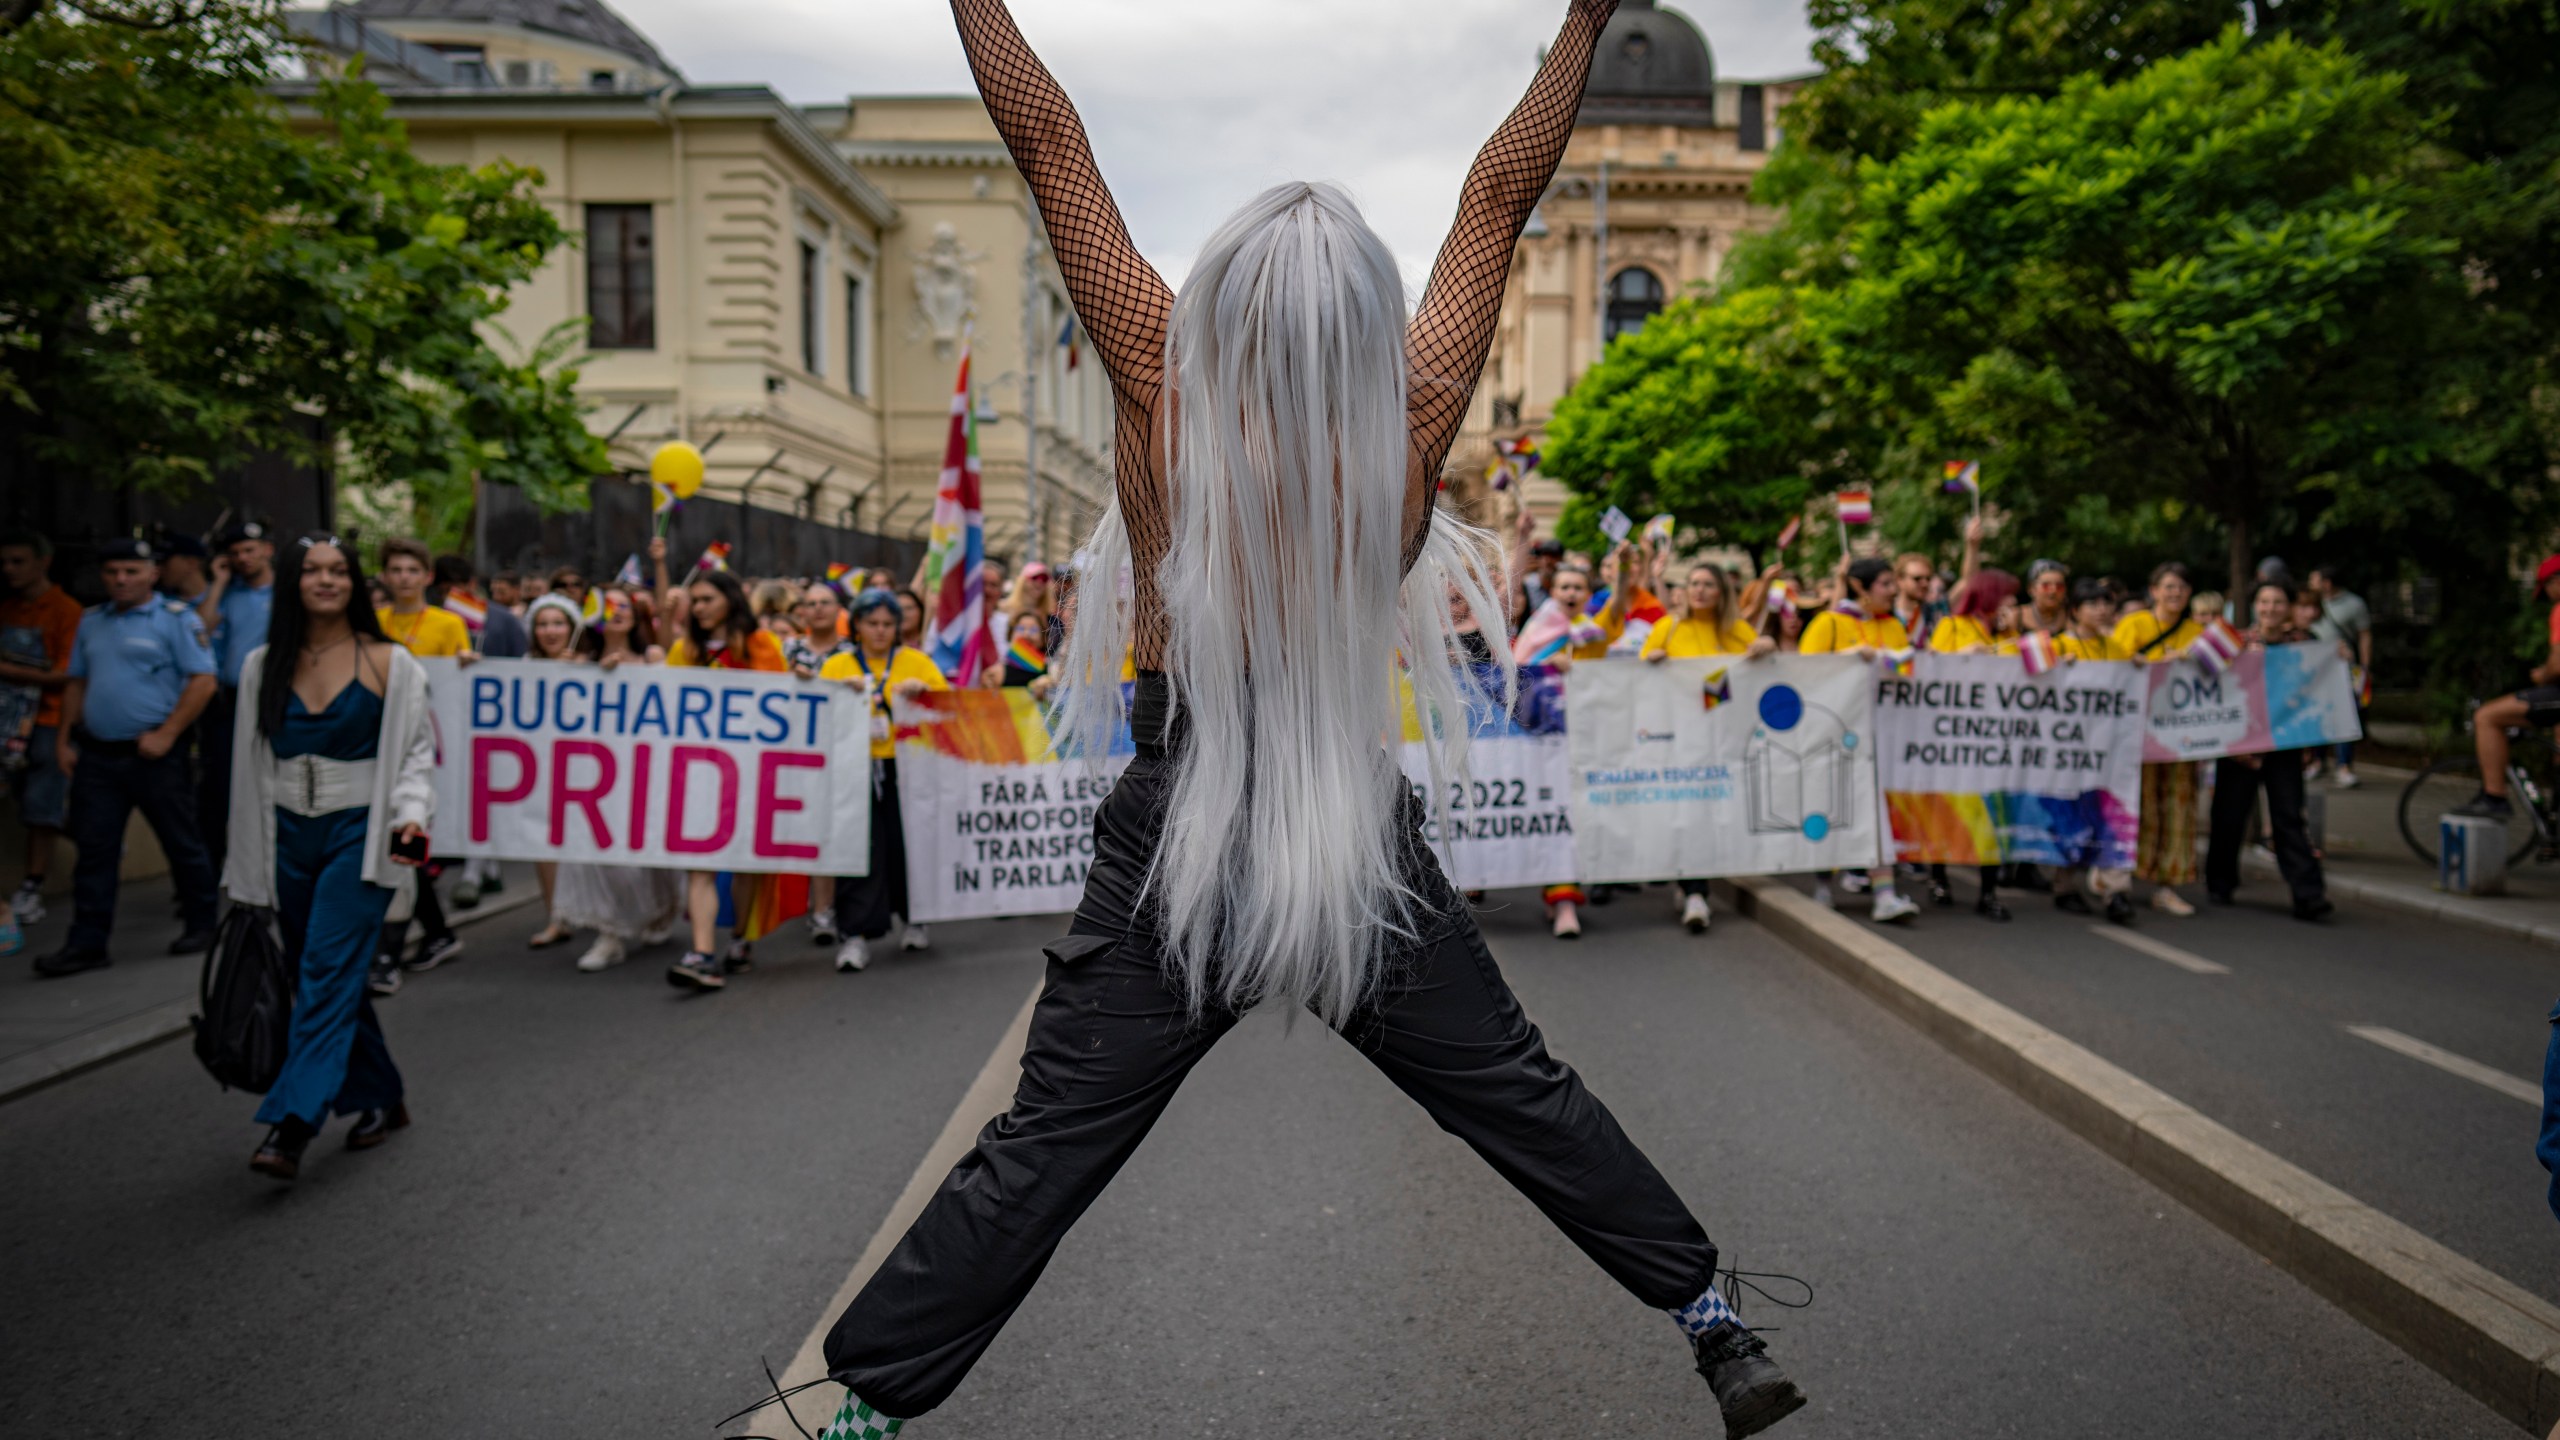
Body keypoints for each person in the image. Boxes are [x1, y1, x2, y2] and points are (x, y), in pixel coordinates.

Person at [812, 8, 1807, 1440]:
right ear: (1360, 320)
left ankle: (862, 1414)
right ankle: (1715, 1326)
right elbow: (1500, 195)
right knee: (1520, 1094)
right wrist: (1587, 19)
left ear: (1219, 303)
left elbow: (1047, 144)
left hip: (1182, 823)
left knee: (1043, 1149)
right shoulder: (1403, 422)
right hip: (1352, 829)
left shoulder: (1162, 388)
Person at [224, 535, 434, 1180]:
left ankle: (294, 1121)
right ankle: (380, 1094)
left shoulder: (391, 664)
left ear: (353, 582)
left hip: (362, 838)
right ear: (292, 581)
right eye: (311, 570)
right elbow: (248, 766)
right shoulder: (264, 664)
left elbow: (417, 758)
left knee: (323, 965)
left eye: (338, 571)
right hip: (285, 836)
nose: (325, 581)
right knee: (323, 975)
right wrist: (246, 865)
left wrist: (410, 826)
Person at [38, 537, 221, 976]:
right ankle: (87, 943)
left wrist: (167, 733)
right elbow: (77, 683)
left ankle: (203, 924)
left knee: (181, 842)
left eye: (131, 571)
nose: (121, 579)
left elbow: (203, 681)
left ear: (153, 574)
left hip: (155, 753)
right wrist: (64, 740)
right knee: (95, 851)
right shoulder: (92, 620)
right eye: (112, 572)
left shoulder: (176, 619)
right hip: (99, 756)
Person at [663, 567, 790, 990]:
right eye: (694, 602)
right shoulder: (685, 650)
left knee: (744, 864)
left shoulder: (762, 645)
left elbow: (783, 702)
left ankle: (739, 939)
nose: (698, 609)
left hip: (750, 772)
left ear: (730, 601)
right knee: (699, 864)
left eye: (706, 600)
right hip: (699, 772)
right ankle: (702, 954)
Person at [819, 588, 949, 972]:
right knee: (858, 851)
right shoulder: (838, 665)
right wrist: (839, 695)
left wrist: (923, 694)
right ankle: (854, 935)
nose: (879, 631)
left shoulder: (916, 662)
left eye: (887, 624)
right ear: (857, 625)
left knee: (908, 845)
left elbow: (949, 707)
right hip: (854, 768)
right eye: (871, 623)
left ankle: (915, 918)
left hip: (907, 768)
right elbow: (820, 712)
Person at [553, 589, 684, 972]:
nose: (618, 612)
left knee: (649, 850)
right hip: (595, 774)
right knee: (602, 855)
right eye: (608, 606)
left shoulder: (652, 657)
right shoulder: (577, 661)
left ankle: (661, 909)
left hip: (645, 769)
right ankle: (610, 933)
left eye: (624, 605)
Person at [1642, 562, 1774, 933]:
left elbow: (1759, 657)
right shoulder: (1667, 627)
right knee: (1688, 811)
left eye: (1708, 585)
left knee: (1711, 810)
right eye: (1694, 583)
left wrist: (1766, 644)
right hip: (1680, 738)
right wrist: (1651, 661)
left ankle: (1692, 883)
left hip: (1723, 739)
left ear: (1722, 593)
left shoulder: (1733, 629)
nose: (1699, 590)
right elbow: (1638, 678)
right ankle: (1696, 891)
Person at [369, 539, 469, 992]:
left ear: (428, 576)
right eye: (396, 569)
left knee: (404, 842)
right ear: (385, 576)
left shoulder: (449, 625)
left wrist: (468, 666)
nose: (404, 577)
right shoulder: (373, 625)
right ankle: (438, 932)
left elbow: (457, 688)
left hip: (432, 749)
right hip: (384, 748)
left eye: (413, 569)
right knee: (404, 844)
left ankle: (386, 953)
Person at [2204, 582, 2333, 921]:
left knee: (2289, 816)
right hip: (2240, 744)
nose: (2271, 608)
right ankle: (2220, 882)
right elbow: (2199, 670)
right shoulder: (2237, 641)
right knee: (2229, 815)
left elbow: (2321, 684)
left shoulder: (2306, 645)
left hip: (2283, 745)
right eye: (2264, 601)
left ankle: (2308, 894)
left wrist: (2341, 660)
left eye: (2278, 602)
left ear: (2289, 607)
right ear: (2255, 606)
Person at [1801, 557, 1920, 925]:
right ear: (1860, 587)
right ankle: (1823, 886)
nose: (1893, 590)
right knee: (1831, 805)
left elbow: (1908, 671)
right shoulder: (1830, 622)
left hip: (1880, 733)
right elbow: (1803, 670)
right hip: (1835, 735)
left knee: (1877, 812)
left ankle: (1884, 894)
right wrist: (1845, 658)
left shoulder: (1893, 627)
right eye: (1885, 583)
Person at [1928, 570, 2024, 922]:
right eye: (2005, 598)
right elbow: (1929, 672)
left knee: (1992, 812)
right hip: (1955, 737)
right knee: (1949, 810)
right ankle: (1938, 876)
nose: (2010, 605)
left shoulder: (2009, 635)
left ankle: (1988, 892)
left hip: (1994, 739)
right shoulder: (1951, 627)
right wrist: (1963, 656)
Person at [0, 529, 83, 930]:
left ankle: (32, 885)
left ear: (42, 562)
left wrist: (10, 671)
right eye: (5, 562)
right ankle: (94, 836)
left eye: (18, 561)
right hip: (9, 722)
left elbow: (68, 674)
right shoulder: (9, 609)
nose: (9, 570)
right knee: (23, 801)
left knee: (41, 803)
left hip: (48, 720)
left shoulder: (65, 611)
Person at [2114, 562, 2205, 915]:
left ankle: (2165, 884)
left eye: (2181, 588)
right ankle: (2118, 875)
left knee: (2176, 811)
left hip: (2182, 738)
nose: (2174, 594)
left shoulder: (2197, 633)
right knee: (2135, 805)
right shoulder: (2133, 625)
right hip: (2138, 736)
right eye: (2168, 587)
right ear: (2154, 591)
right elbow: (2113, 666)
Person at [194, 520, 276, 879]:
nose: (243, 558)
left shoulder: (287, 593)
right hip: (228, 702)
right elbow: (198, 633)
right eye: (236, 553)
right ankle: (217, 872)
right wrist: (220, 582)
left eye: (249, 550)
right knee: (221, 788)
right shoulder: (226, 594)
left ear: (266, 551)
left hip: (273, 698)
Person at [2051, 579, 2135, 923]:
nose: (2102, 610)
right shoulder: (2055, 647)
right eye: (2092, 604)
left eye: (2106, 603)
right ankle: (2065, 884)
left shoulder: (2116, 649)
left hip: (2108, 751)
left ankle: (2116, 890)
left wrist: (2139, 669)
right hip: (2068, 750)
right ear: (2074, 612)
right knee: (2072, 815)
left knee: (2110, 815)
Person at [520, 595, 590, 950]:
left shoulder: (593, 665)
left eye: (558, 623)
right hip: (541, 766)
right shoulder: (521, 667)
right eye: (542, 624)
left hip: (587, 769)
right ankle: (556, 917)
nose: (550, 631)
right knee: (544, 842)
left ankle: (597, 909)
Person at [2307, 564, 2371, 789]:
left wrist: (2364, 667)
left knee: (2344, 714)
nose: (2310, 584)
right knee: (2317, 714)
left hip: (2343, 668)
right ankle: (2317, 760)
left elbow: (2364, 635)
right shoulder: (2311, 604)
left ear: (2327, 583)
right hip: (2314, 668)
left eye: (2313, 580)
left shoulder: (2354, 604)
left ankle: (2344, 766)